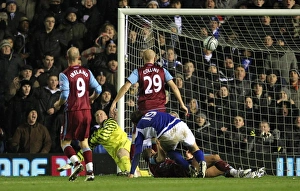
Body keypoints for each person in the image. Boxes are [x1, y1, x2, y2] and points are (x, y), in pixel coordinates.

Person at [53, 47, 102, 181]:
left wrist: (58, 104)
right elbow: (99, 88)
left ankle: (76, 164)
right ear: (79, 57)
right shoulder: (87, 72)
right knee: (84, 142)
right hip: (87, 111)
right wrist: (92, 98)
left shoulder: (65, 74)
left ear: (66, 57)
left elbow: (65, 94)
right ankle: (90, 173)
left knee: (65, 142)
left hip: (73, 111)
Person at [109, 49, 188, 117]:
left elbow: (126, 87)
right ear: (155, 58)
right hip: (160, 109)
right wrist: (182, 104)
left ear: (142, 58)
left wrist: (115, 101)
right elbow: (174, 87)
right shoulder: (163, 71)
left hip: (145, 110)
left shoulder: (138, 71)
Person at [129, 110, 207, 178]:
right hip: (180, 124)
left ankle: (188, 167)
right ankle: (202, 162)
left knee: (169, 152)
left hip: (167, 132)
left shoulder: (139, 127)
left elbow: (137, 152)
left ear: (134, 123)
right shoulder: (152, 112)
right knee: (194, 148)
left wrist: (132, 172)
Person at [57, 110, 133, 176]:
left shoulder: (110, 122)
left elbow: (104, 135)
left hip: (124, 145)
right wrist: (73, 163)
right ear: (96, 120)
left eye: (101, 114)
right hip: (116, 154)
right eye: (97, 115)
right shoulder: (96, 134)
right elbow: (86, 149)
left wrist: (94, 139)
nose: (99, 115)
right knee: (135, 173)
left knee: (122, 156)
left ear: (106, 116)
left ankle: (129, 172)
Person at [142, 139, 265, 178]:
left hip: (186, 172)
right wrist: (159, 143)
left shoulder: (153, 167)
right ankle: (238, 172)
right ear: (151, 154)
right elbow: (160, 156)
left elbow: (162, 158)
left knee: (221, 169)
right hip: (187, 169)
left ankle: (243, 174)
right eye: (153, 151)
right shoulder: (153, 161)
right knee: (215, 157)